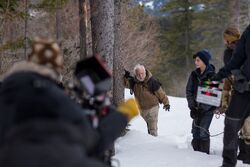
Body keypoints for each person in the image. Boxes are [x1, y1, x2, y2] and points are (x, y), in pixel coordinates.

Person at [0, 38, 139, 167]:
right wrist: (121, 116)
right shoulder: (54, 96)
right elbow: (92, 141)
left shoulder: (5, 92)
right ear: (55, 69)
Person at [212, 24, 250, 167]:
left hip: (239, 85)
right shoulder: (247, 34)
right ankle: (230, 162)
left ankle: (246, 154)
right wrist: (219, 76)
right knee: (232, 124)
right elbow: (236, 61)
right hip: (242, 88)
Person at [123, 64, 170, 136]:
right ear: (135, 74)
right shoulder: (134, 82)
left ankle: (154, 142)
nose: (141, 76)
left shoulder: (152, 81)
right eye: (138, 74)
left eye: (142, 73)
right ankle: (150, 139)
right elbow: (125, 84)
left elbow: (160, 93)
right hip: (142, 109)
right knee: (149, 126)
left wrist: (166, 103)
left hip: (153, 108)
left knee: (152, 128)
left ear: (145, 72)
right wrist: (125, 77)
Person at [186, 49, 216, 154]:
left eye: (198, 60)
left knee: (203, 132)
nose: (196, 62)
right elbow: (189, 91)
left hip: (207, 110)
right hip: (196, 108)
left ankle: (204, 155)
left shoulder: (211, 76)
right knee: (195, 132)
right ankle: (195, 156)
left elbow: (211, 97)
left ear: (204, 61)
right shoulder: (194, 75)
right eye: (195, 60)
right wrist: (192, 107)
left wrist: (202, 109)